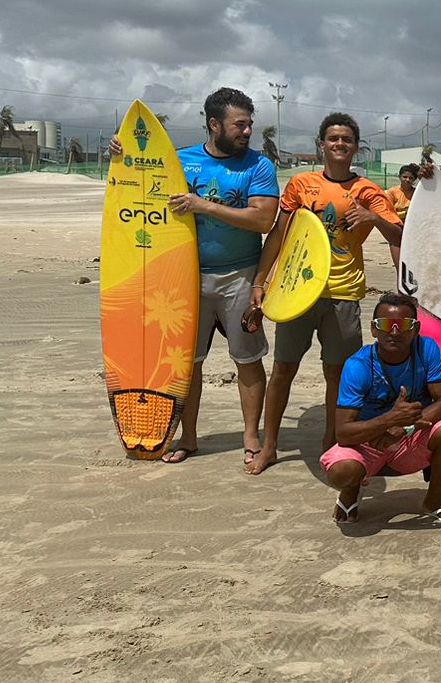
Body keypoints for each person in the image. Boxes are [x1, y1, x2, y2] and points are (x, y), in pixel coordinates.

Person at [107, 87, 278, 466]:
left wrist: (203, 205)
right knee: (186, 361)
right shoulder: (179, 162)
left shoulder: (258, 166)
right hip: (182, 277)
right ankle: (189, 436)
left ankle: (251, 435)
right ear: (214, 124)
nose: (247, 132)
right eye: (240, 125)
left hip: (240, 275)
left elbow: (264, 219)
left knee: (247, 359)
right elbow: (136, 182)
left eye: (250, 124)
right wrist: (123, 154)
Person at [247, 113, 402, 476]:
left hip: (343, 294)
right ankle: (269, 446)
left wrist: (372, 218)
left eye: (346, 139)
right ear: (322, 144)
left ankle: (333, 442)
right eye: (333, 138)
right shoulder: (301, 184)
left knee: (339, 375)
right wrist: (260, 282)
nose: (339, 144)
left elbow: (399, 235)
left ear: (355, 146)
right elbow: (279, 235)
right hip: (296, 292)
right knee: (283, 368)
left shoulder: (367, 191)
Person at [321, 293, 441, 526]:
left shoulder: (426, 349)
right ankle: (349, 493)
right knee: (341, 471)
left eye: (404, 325)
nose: (395, 332)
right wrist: (388, 420)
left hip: (409, 436)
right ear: (374, 330)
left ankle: (434, 499)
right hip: (369, 442)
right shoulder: (357, 366)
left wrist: (403, 427)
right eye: (386, 325)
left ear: (416, 329)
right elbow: (343, 433)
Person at [385, 163, 419, 269]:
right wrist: (405, 213)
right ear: (399, 177)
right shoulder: (392, 192)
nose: (407, 180)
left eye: (411, 178)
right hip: (397, 231)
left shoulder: (417, 193)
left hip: (413, 232)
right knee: (400, 267)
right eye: (405, 177)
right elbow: (388, 212)